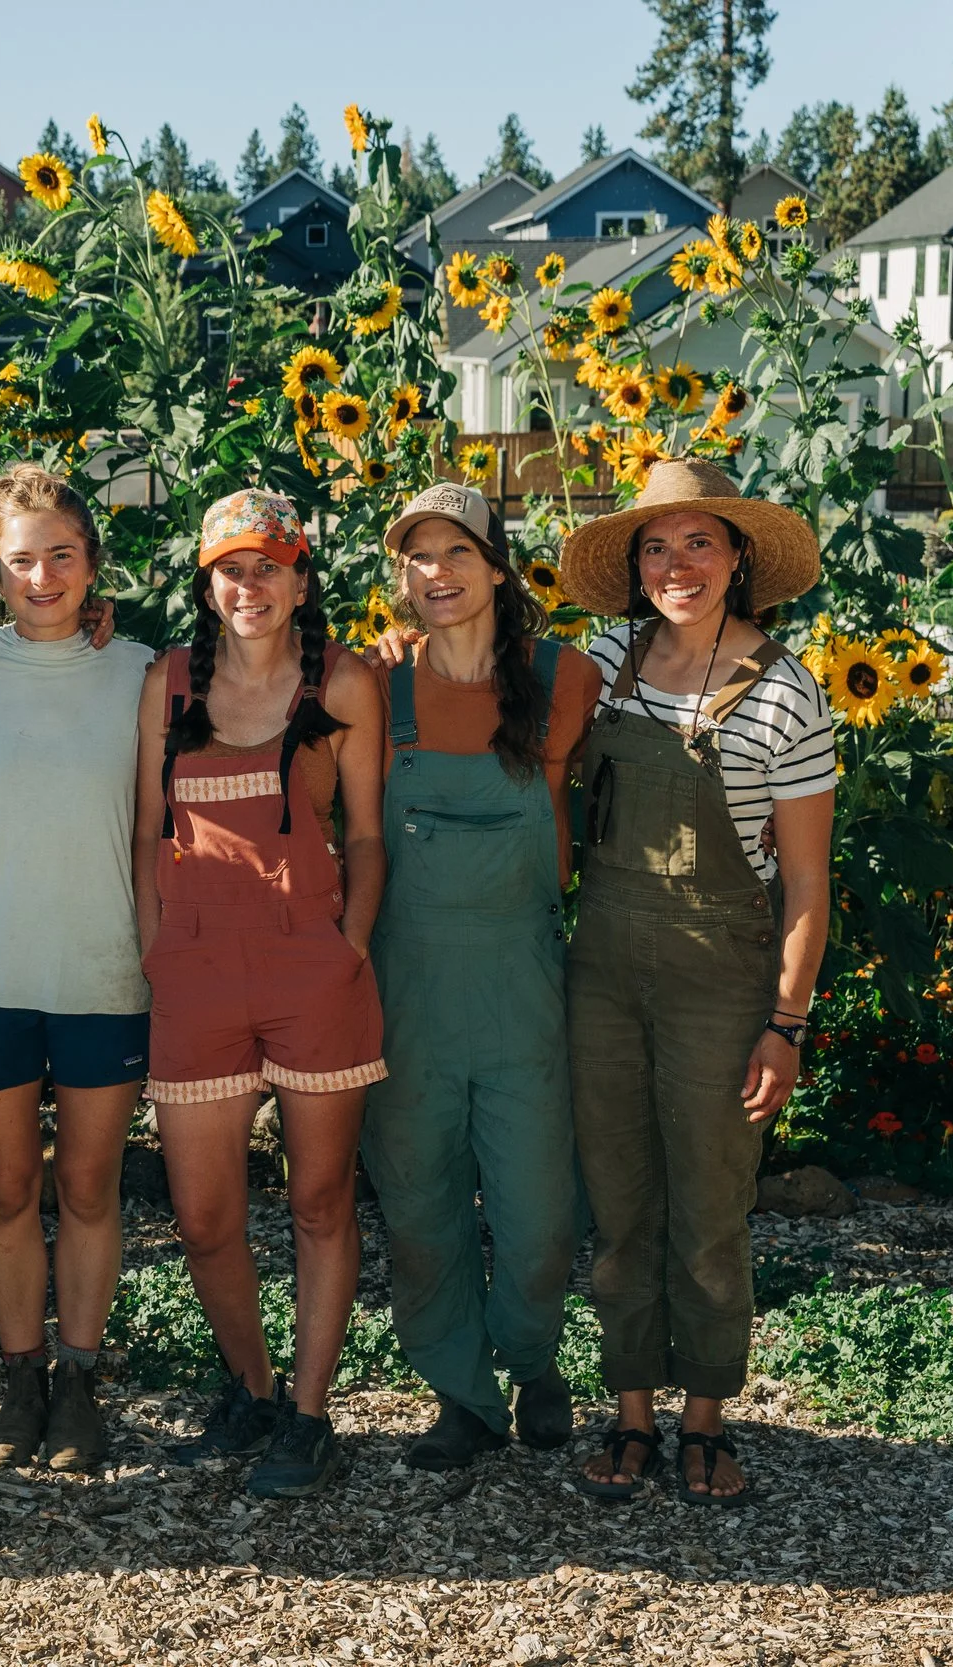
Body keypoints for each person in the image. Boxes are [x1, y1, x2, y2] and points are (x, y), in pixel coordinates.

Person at [557, 458, 834, 1507]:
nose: (677, 564)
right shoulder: (601, 663)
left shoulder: (785, 693)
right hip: (603, 969)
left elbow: (807, 879)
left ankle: (706, 1417)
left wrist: (785, 1022)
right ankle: (630, 1409)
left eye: (699, 542)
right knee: (620, 1205)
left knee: (711, 1210)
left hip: (723, 984)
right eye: (656, 545)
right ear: (634, 565)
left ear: (739, 560)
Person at [131, 487, 387, 1499]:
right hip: (194, 966)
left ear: (300, 578)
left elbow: (364, 832)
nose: (251, 585)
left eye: (270, 565)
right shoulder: (166, 682)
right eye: (232, 567)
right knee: (201, 1213)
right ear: (208, 581)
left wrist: (349, 942)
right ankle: (252, 1385)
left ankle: (311, 1410)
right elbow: (145, 833)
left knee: (320, 1198)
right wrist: (159, 951)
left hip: (309, 960)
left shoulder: (344, 682)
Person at [357, 483, 603, 1471]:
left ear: (498, 566)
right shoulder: (377, 687)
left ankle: (534, 1357)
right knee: (418, 1209)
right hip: (408, 992)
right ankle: (460, 1393)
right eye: (418, 557)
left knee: (541, 1216)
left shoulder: (567, 676)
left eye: (457, 551)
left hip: (522, 986)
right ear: (402, 579)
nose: (438, 573)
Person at [0, 465, 152, 1475]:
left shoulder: (143, 669)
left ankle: (78, 1381)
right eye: (22, 559)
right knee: (7, 1188)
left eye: (63, 554)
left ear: (92, 562)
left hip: (108, 971)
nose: (44, 574)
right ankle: (17, 1383)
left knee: (92, 1187)